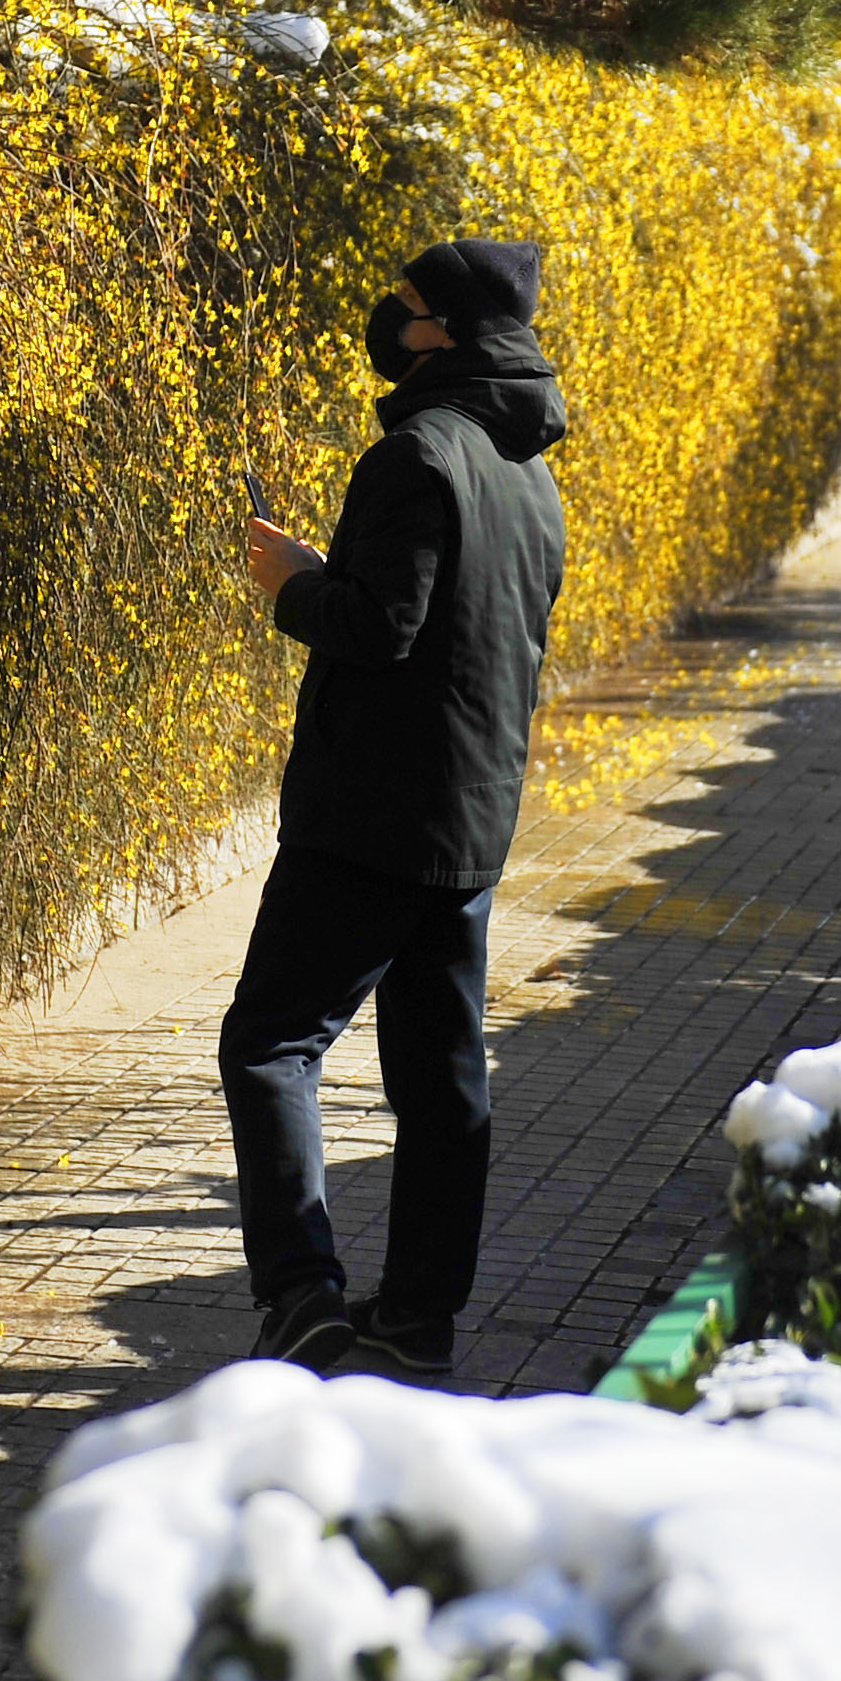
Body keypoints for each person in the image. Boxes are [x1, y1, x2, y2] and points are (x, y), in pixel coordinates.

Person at [226, 239, 568, 1380]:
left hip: (370, 812)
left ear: (448, 338)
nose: (389, 320)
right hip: (469, 820)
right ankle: (417, 1322)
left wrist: (291, 585)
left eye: (407, 309)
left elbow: (381, 628)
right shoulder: (528, 473)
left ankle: (300, 1301)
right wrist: (338, 574)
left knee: (270, 1045)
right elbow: (452, 621)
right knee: (439, 1077)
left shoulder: (417, 451)